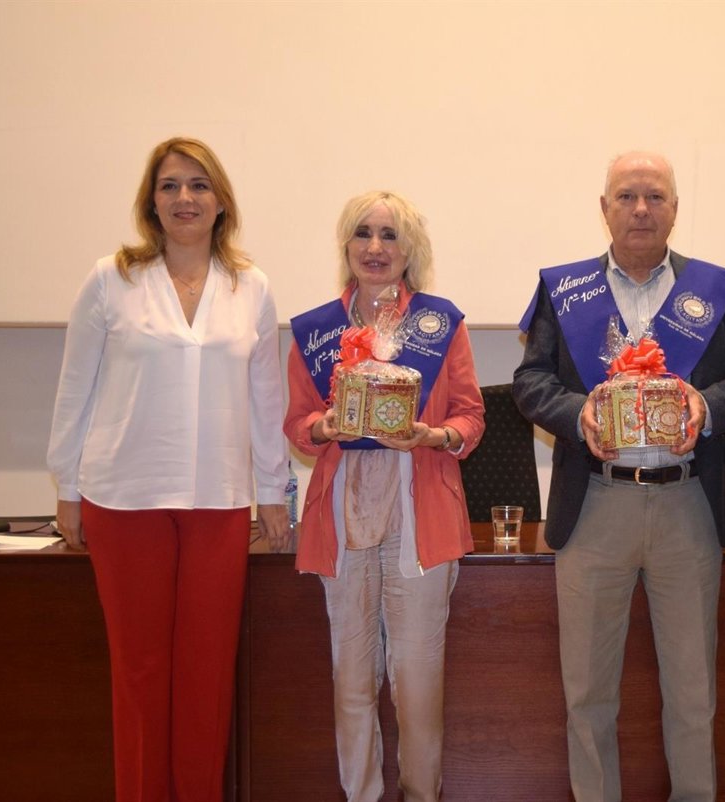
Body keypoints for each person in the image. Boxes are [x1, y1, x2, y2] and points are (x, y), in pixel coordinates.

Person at [513, 151, 725, 802]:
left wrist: (704, 405)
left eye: (655, 196)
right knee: (587, 692)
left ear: (675, 209)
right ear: (605, 209)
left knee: (693, 691)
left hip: (687, 504)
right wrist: (579, 413)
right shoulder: (565, 290)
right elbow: (531, 383)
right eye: (626, 196)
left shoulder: (714, 290)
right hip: (594, 504)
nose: (641, 209)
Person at [47, 136, 289, 801]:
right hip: (124, 501)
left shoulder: (251, 287)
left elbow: (266, 399)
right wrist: (68, 487)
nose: (185, 198)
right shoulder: (111, 279)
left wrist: (273, 491)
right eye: (170, 186)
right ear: (151, 202)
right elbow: (74, 389)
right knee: (141, 673)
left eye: (199, 185)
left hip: (219, 502)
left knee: (207, 674)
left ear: (221, 202)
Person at [284, 190, 485, 802]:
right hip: (342, 514)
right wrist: (324, 427)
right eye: (363, 233)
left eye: (390, 235)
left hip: (419, 513)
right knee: (352, 682)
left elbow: (471, 416)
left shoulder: (441, 323)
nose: (375, 247)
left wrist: (433, 435)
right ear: (346, 245)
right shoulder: (316, 330)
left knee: (417, 683)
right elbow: (297, 422)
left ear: (410, 249)